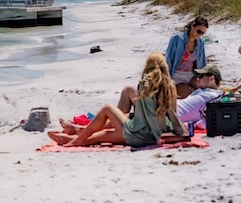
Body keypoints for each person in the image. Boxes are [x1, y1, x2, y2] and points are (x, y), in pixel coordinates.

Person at [48, 53, 187, 147]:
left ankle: (76, 139)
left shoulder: (145, 85)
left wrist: (155, 137)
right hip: (152, 133)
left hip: (141, 135)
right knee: (103, 135)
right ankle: (70, 138)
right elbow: (173, 115)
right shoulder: (171, 87)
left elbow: (144, 116)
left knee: (107, 109)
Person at [165, 16, 209, 98]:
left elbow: (202, 64)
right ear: (192, 25)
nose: (199, 35)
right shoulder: (177, 39)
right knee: (190, 95)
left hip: (191, 75)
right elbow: (168, 60)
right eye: (198, 31)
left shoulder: (200, 43)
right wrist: (167, 80)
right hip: (176, 75)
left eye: (202, 33)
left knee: (205, 90)